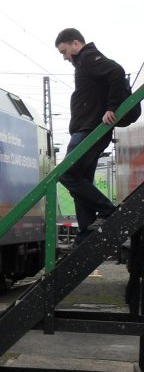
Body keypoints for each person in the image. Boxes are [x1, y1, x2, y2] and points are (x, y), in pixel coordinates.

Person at [54, 28, 126, 241]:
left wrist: (111, 107)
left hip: (88, 130)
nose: (65, 57)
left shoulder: (87, 57)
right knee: (81, 178)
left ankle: (108, 210)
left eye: (65, 52)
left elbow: (116, 71)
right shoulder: (84, 61)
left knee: (66, 173)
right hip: (87, 129)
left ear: (76, 43)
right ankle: (85, 230)